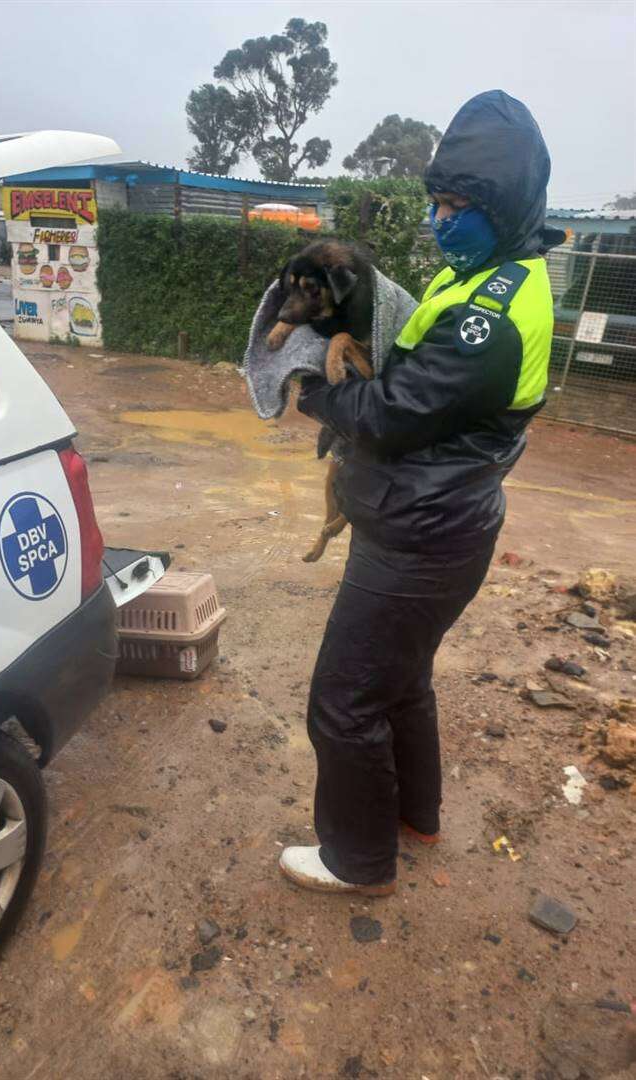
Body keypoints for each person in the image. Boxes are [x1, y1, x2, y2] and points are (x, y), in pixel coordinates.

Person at [279, 89, 563, 895]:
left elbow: (395, 412)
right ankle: (414, 816)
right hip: (437, 522)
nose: (440, 221)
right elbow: (403, 362)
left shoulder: (494, 315)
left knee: (343, 700)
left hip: (417, 536)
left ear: (501, 208)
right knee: (402, 683)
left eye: (458, 206)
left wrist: (316, 395)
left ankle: (358, 860)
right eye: (436, 203)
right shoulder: (488, 273)